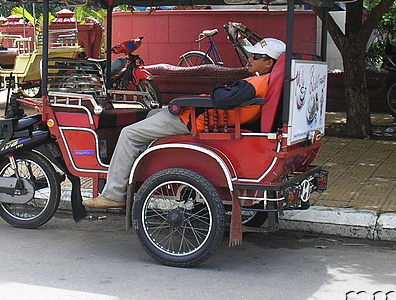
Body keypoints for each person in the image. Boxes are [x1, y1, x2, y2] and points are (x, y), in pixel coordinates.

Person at [83, 37, 286, 209]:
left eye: (256, 56)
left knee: (129, 133)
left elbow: (222, 99)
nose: (250, 58)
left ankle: (114, 193)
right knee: (151, 113)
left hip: (195, 119)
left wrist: (216, 87)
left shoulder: (256, 83)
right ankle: (137, 168)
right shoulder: (264, 81)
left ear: (269, 63)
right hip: (204, 117)